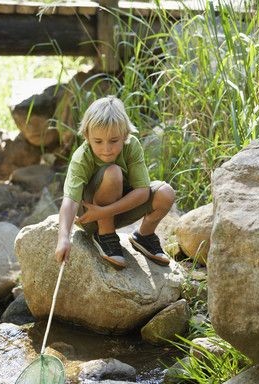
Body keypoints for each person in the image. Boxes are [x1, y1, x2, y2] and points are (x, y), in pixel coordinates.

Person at [55, 95, 175, 269]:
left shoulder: (131, 146)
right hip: (91, 216)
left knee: (166, 193)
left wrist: (104, 211)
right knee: (113, 172)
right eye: (98, 141)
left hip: (112, 210)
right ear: (87, 136)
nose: (107, 149)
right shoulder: (82, 157)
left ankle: (144, 236)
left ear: (125, 135)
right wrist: (63, 237)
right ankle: (105, 235)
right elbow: (70, 200)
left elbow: (142, 191)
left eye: (114, 140)